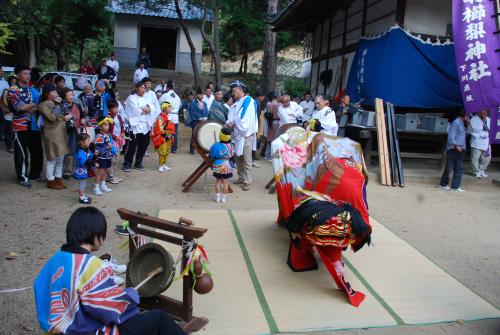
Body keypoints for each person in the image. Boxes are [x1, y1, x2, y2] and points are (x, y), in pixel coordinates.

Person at [34, 206, 187, 335]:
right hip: (89, 331)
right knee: (159, 318)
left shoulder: (55, 260)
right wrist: (130, 296)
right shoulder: (91, 266)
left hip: (57, 328)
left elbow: (40, 287)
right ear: (95, 235)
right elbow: (109, 310)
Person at [8, 65, 44, 187]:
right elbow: (20, 107)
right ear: (18, 75)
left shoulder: (29, 89)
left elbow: (33, 107)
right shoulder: (13, 89)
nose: (28, 76)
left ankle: (34, 174)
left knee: (36, 150)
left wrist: (30, 107)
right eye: (25, 73)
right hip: (19, 125)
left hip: (31, 123)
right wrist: (32, 105)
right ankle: (22, 177)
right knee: (21, 152)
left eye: (29, 73)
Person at [226, 80, 257, 191]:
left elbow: (243, 119)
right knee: (238, 158)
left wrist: (233, 123)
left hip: (246, 135)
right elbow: (231, 117)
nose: (233, 93)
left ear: (240, 90)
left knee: (246, 158)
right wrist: (229, 123)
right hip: (237, 135)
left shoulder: (248, 100)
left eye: (234, 91)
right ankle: (241, 177)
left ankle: (247, 181)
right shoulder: (235, 104)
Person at [38, 84, 71, 190]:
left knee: (61, 158)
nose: (56, 94)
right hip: (52, 134)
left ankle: (58, 179)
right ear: (47, 94)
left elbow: (63, 114)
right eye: (53, 92)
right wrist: (57, 105)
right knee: (52, 158)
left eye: (56, 92)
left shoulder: (59, 104)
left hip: (61, 133)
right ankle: (50, 180)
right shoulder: (43, 105)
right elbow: (51, 117)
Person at [123, 81, 151, 171]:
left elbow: (151, 108)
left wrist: (144, 108)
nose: (143, 89)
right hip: (135, 125)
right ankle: (127, 164)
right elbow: (134, 110)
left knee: (143, 145)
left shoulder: (146, 98)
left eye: (144, 88)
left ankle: (138, 163)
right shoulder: (131, 98)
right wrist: (144, 109)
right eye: (141, 87)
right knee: (132, 146)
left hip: (146, 125)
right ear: (136, 88)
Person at [439, 110, 468, 192]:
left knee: (459, 167)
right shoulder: (456, 122)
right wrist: (456, 145)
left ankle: (455, 186)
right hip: (453, 148)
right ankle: (443, 184)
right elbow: (451, 136)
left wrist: (468, 124)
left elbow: (465, 135)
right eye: (467, 115)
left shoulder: (463, 122)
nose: (468, 117)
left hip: (461, 147)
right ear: (463, 115)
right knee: (449, 167)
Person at [59, 88, 82, 180]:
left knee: (72, 151)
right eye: (69, 95)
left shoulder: (77, 105)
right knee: (63, 151)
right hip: (63, 131)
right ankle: (63, 171)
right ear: (64, 96)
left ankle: (70, 171)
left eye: (72, 95)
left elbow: (82, 117)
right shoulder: (61, 106)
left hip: (74, 130)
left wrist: (82, 120)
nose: (72, 97)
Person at [209, 127, 234, 203]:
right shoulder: (231, 146)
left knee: (218, 182)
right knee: (225, 182)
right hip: (227, 166)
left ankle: (217, 198)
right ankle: (223, 199)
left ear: (220, 135)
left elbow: (212, 155)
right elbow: (232, 155)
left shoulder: (215, 145)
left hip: (218, 166)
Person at [94, 115, 116, 195]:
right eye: (105, 125)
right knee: (100, 172)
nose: (107, 127)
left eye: (108, 125)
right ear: (100, 126)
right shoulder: (99, 136)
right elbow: (97, 147)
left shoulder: (108, 135)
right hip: (102, 157)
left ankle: (103, 185)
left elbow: (111, 145)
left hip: (108, 156)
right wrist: (107, 146)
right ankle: (96, 188)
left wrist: (114, 151)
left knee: (106, 171)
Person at [152, 102, 176, 172]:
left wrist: (171, 134)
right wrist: (165, 135)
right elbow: (159, 127)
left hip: (169, 135)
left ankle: (164, 164)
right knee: (162, 150)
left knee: (167, 150)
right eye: (169, 107)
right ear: (164, 108)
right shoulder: (160, 117)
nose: (170, 108)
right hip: (162, 136)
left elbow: (172, 126)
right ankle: (161, 165)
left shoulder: (169, 116)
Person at [158, 79, 181, 153]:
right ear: (173, 88)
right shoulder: (177, 97)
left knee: (166, 131)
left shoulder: (165, 95)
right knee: (175, 133)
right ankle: (174, 148)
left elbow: (159, 104)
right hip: (175, 116)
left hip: (168, 116)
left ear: (167, 88)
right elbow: (179, 106)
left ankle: (166, 146)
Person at [107, 100, 126, 184]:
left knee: (116, 158)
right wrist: (115, 137)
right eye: (114, 108)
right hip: (112, 140)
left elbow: (122, 125)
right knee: (111, 159)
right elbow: (107, 131)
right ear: (109, 109)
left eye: (117, 107)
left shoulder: (118, 116)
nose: (116, 109)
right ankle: (110, 176)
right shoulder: (107, 118)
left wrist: (122, 133)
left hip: (118, 140)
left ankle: (114, 175)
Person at [469, 109, 491, 178]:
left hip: (486, 140)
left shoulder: (488, 119)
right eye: (483, 111)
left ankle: (482, 169)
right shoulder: (474, 118)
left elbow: (490, 129)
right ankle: (476, 171)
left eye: (486, 111)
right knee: (475, 157)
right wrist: (483, 121)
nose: (485, 112)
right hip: (477, 140)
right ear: (478, 111)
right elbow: (475, 129)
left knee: (487, 156)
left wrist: (485, 120)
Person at [73, 133, 93, 204]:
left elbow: (91, 155)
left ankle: (83, 195)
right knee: (82, 183)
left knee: (84, 182)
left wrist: (95, 155)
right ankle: (81, 197)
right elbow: (82, 160)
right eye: (88, 140)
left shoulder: (86, 149)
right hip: (81, 169)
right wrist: (90, 161)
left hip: (84, 169)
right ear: (82, 142)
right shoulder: (80, 151)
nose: (89, 142)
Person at [188, 87, 208, 154]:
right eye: (199, 95)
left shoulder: (204, 103)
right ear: (196, 95)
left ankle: (201, 148)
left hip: (203, 121)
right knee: (194, 134)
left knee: (201, 134)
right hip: (196, 121)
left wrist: (205, 118)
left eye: (202, 95)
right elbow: (192, 112)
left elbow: (206, 111)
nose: (201, 96)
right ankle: (192, 148)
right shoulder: (193, 103)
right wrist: (200, 118)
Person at [262, 92, 281, 160]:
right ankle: (272, 156)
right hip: (276, 122)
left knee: (269, 139)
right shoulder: (279, 105)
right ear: (277, 97)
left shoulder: (269, 104)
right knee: (275, 140)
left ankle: (266, 155)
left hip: (269, 122)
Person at [1, 75, 15, 153]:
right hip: (8, 113)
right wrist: (11, 108)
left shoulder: (17, 90)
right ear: (9, 82)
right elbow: (4, 101)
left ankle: (11, 144)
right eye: (13, 81)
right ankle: (9, 146)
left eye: (15, 81)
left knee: (12, 131)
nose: (15, 83)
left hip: (14, 114)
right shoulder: (7, 90)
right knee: (9, 130)